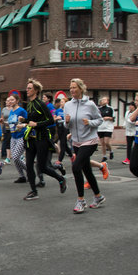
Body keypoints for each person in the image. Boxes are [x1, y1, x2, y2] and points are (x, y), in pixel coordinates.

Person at [64, 78, 105, 213]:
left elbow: (99, 120)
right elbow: (67, 125)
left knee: (76, 167)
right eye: (70, 88)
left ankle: (81, 200)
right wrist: (67, 122)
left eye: (74, 87)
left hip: (90, 140)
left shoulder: (90, 104)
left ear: (81, 89)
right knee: (87, 170)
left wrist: (90, 123)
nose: (72, 90)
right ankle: (98, 196)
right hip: (76, 141)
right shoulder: (68, 105)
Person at [21, 79, 66, 200]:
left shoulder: (40, 104)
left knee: (42, 167)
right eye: (27, 88)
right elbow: (31, 121)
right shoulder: (29, 104)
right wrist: (24, 121)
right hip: (31, 139)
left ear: (35, 90)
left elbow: (51, 121)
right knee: (29, 165)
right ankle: (33, 191)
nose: (27, 90)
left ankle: (60, 179)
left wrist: (36, 124)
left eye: (29, 88)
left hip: (41, 139)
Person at [7, 94, 28, 183]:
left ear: (17, 101)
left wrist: (22, 124)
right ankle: (22, 176)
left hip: (21, 136)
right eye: (9, 100)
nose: (10, 102)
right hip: (13, 137)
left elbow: (28, 122)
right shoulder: (11, 111)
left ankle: (30, 172)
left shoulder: (22, 111)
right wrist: (4, 123)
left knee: (16, 157)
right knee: (15, 158)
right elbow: (12, 124)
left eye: (12, 100)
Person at [97, 97, 115, 161]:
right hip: (100, 128)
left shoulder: (110, 108)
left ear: (107, 101)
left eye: (105, 99)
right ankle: (104, 156)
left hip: (108, 127)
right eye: (102, 100)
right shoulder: (98, 109)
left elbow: (113, 118)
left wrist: (108, 118)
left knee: (106, 142)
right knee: (102, 143)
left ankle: (111, 151)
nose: (103, 101)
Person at [0, 98, 12, 164]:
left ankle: (9, 155)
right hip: (5, 126)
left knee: (11, 140)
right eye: (6, 101)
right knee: (6, 140)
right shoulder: (4, 109)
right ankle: (4, 154)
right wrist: (2, 126)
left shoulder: (13, 109)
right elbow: (2, 118)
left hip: (12, 126)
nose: (7, 102)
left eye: (8, 101)